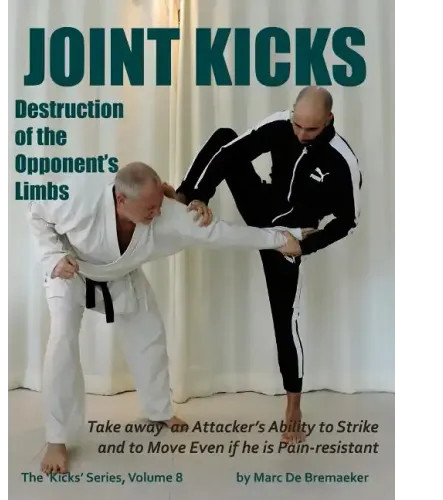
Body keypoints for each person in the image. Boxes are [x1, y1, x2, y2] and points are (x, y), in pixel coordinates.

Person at [28, 162, 310, 473]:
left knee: (149, 334)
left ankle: (159, 410)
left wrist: (283, 237)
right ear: (121, 199)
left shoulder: (167, 213)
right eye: (150, 207)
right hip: (70, 272)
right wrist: (53, 257)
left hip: (120, 274)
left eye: (159, 203)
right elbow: (36, 212)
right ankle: (56, 440)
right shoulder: (78, 196)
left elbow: (221, 233)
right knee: (62, 341)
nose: (158, 211)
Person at [174, 86, 362, 445]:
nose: (301, 134)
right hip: (260, 205)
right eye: (297, 125)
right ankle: (186, 197)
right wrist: (201, 195)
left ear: (329, 120)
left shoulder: (342, 161)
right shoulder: (280, 124)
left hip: (287, 238)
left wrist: (304, 245)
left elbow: (347, 221)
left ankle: (293, 408)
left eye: (311, 129)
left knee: (284, 320)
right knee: (226, 138)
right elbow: (232, 154)